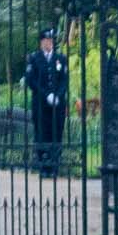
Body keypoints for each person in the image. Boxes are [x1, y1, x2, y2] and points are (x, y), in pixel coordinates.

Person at [24, 27, 70, 178]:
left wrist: (58, 95)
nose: (49, 43)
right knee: (42, 132)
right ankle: (44, 165)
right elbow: (32, 81)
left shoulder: (60, 58)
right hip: (41, 104)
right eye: (46, 40)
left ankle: (54, 163)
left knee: (56, 132)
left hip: (58, 104)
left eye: (51, 40)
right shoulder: (34, 58)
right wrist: (46, 95)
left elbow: (64, 79)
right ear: (41, 42)